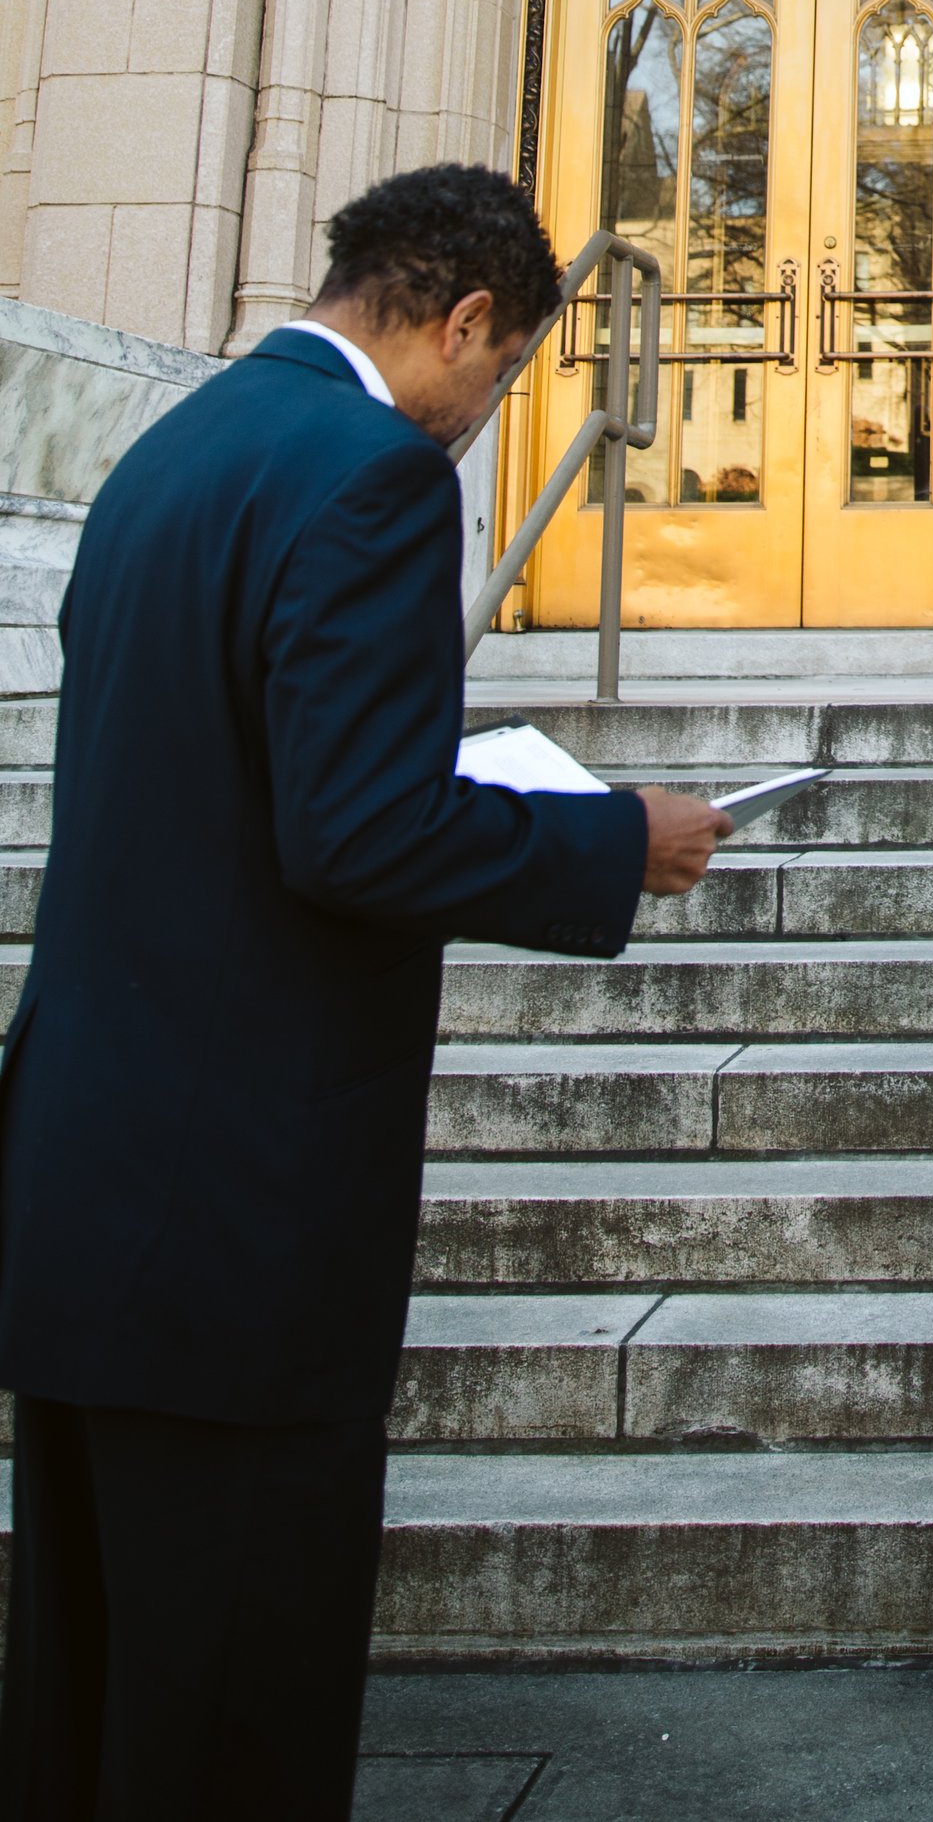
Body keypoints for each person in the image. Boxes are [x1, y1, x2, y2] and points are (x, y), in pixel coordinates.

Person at [0, 165, 731, 1822]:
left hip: (87, 1176)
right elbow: (357, 830)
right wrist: (615, 840)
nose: (489, 414)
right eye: (506, 371)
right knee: (231, 1701)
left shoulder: (170, 451)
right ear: (466, 321)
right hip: (237, 1208)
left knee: (92, 1683)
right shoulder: (373, 474)